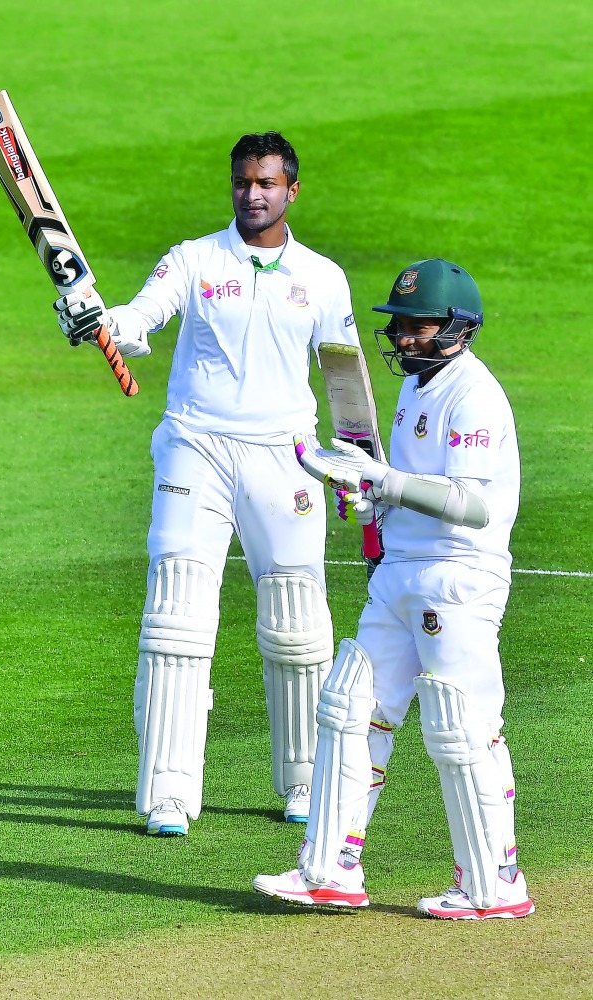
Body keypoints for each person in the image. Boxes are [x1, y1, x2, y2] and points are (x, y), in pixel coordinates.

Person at [53, 132, 362, 836]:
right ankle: (168, 793)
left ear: (291, 190)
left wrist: (355, 465)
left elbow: (343, 381)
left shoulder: (322, 277)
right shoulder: (194, 259)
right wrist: (100, 321)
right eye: (241, 181)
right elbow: (140, 318)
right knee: (177, 618)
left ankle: (305, 782)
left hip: (285, 457)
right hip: (195, 446)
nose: (252, 193)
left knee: (297, 624)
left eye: (266, 182)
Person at [253, 258, 536, 919]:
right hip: (401, 570)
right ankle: (329, 870)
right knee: (350, 706)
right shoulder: (415, 388)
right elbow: (403, 484)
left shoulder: (474, 395)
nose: (404, 338)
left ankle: (494, 887)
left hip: (458, 576)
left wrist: (383, 483)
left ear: (459, 329)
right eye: (399, 326)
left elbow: (470, 504)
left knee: (461, 727)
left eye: (418, 326)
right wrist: (365, 492)